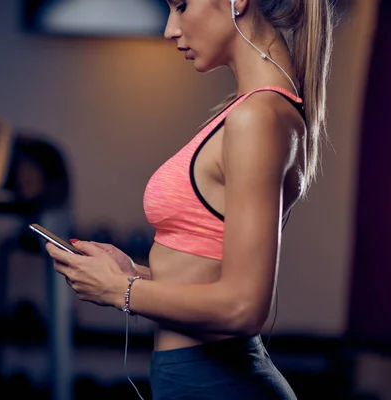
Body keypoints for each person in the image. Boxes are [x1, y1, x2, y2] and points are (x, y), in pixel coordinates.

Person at [45, 0, 333, 398]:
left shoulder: (258, 117)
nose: (169, 29)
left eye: (181, 6)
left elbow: (243, 307)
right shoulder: (249, 111)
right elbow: (209, 274)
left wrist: (121, 291)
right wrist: (131, 273)